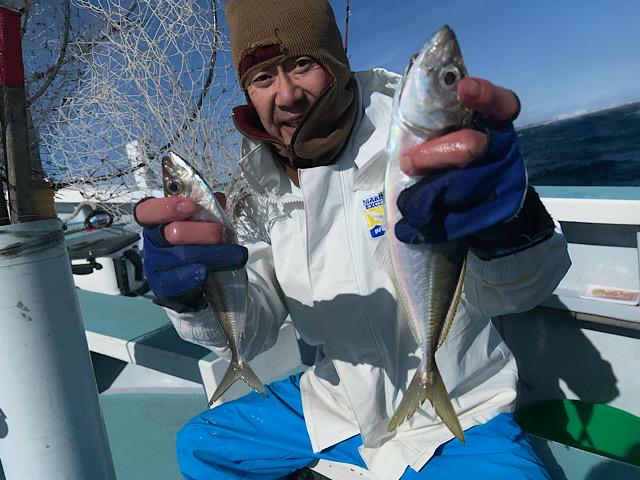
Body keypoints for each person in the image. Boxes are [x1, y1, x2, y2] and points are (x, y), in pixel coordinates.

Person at [134, 1, 571, 478]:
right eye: (262, 78)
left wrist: (507, 223)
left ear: (336, 63)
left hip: (461, 409)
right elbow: (253, 330)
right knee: (203, 447)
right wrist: (194, 298)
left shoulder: (421, 144)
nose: (287, 95)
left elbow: (524, 292)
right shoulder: (255, 186)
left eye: (303, 65)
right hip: (336, 403)